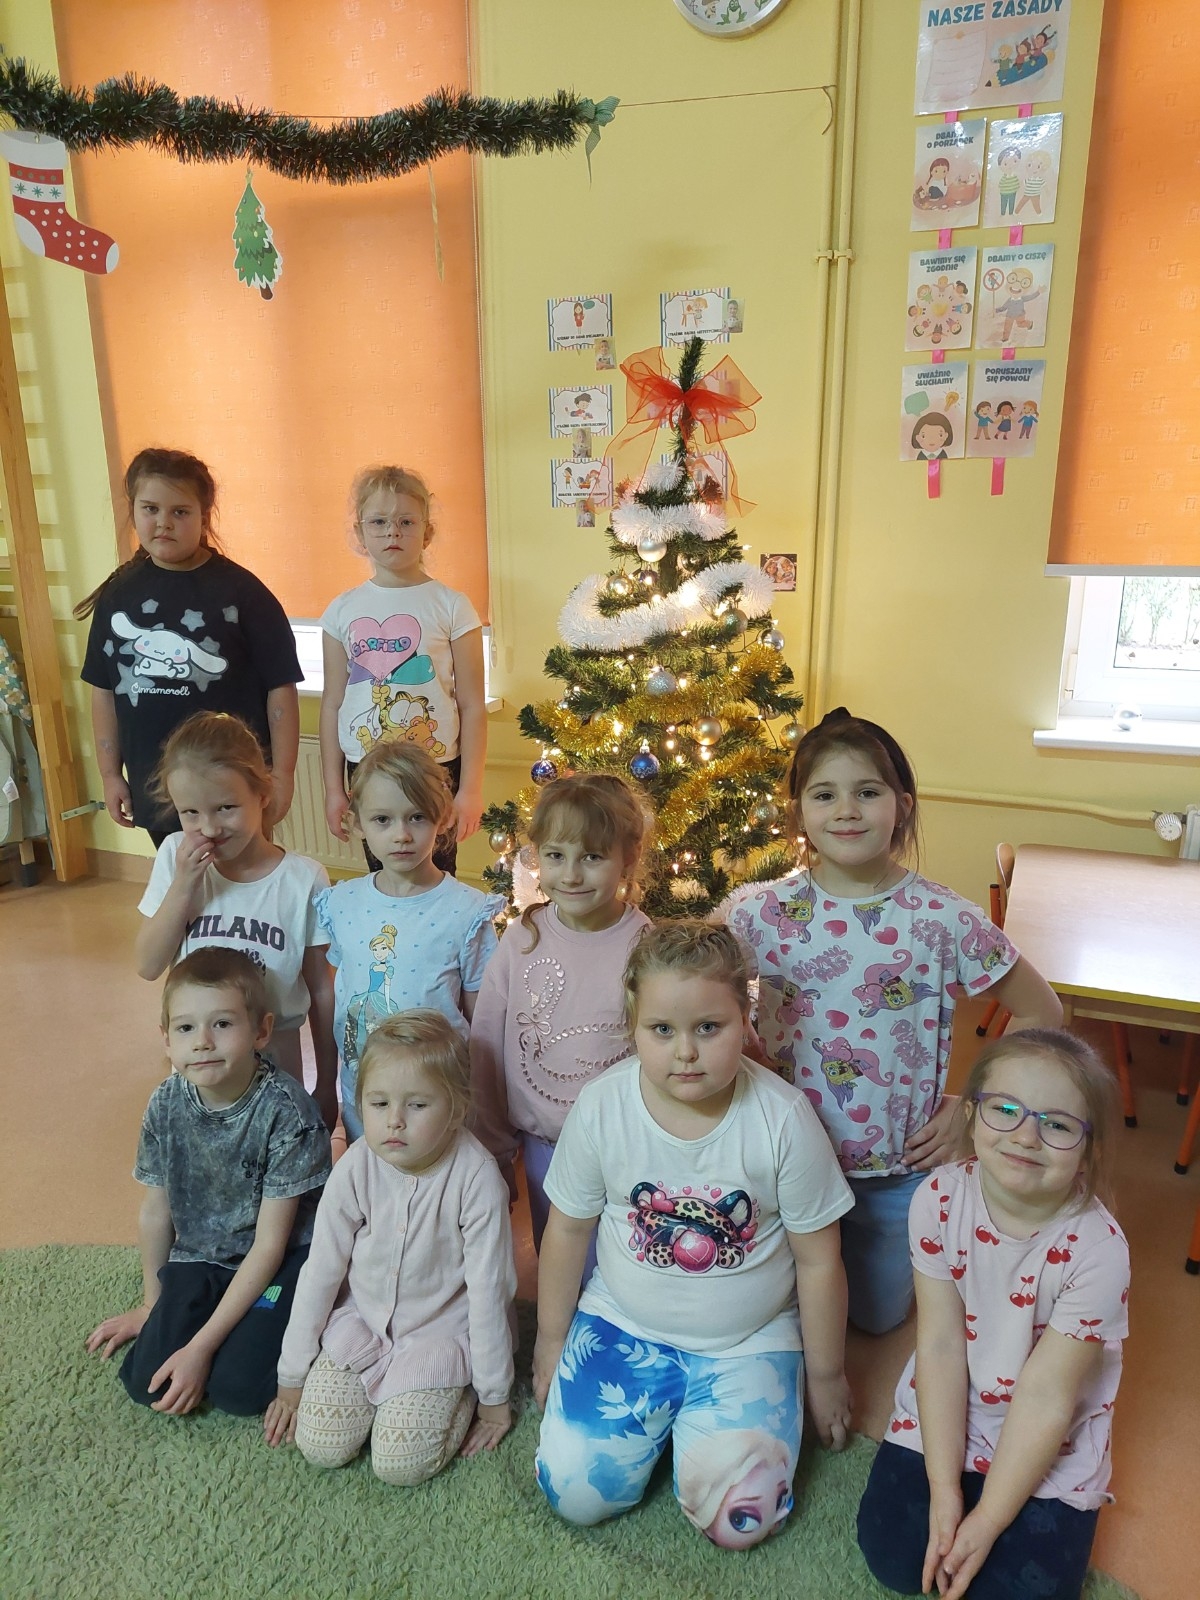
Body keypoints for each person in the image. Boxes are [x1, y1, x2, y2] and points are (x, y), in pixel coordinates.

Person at [725, 709, 1061, 1335]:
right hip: (780, 1163)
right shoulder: (757, 916)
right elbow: (706, 1008)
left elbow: (1043, 1010)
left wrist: (976, 1109)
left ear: (902, 807)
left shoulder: (944, 918)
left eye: (867, 792)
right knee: (777, 1312)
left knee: (873, 1320)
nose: (846, 811)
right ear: (798, 812)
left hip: (894, 1172)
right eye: (824, 795)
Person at [533, 922, 854, 1548]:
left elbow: (820, 1261)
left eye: (709, 1027)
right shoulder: (601, 1108)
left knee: (743, 1522)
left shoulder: (783, 1119)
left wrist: (826, 1374)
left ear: (745, 1021)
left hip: (749, 1340)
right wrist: (550, 1338)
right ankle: (659, 1433)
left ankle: (696, 1432)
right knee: (575, 1495)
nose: (685, 1051)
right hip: (623, 1325)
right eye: (662, 1029)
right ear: (633, 1027)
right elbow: (567, 1230)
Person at [857, 1030, 1128, 1600]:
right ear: (971, 1115)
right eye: (1005, 1109)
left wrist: (987, 1521)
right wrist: (944, 1489)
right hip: (953, 1396)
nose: (1026, 1136)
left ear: (1089, 1149)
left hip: (1049, 1429)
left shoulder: (1100, 1251)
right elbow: (938, 1346)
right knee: (894, 1559)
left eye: (1057, 1125)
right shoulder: (937, 1198)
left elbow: (1047, 1397)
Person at [264, 1011, 516, 1483]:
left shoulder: (477, 1178)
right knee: (320, 1444)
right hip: (362, 1324)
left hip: (437, 1335)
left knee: (400, 1464)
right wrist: (292, 1375)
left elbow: (490, 1293)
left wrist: (494, 1396)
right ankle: (386, 1390)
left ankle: (456, 1389)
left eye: (417, 1105)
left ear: (457, 1109)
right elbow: (320, 1271)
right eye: (378, 1104)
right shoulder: (356, 1166)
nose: (394, 1121)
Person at [85, 949, 331, 1416]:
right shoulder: (165, 1104)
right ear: (166, 1039)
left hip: (281, 1261)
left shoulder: (288, 1113)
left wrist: (200, 1347)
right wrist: (151, 1307)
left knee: (238, 1390)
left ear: (261, 1030)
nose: (202, 1042)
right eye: (185, 1028)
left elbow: (270, 1246)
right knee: (148, 1383)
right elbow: (156, 1212)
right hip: (202, 1256)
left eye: (222, 1024)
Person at [78, 447, 301, 846]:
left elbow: (281, 689)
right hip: (157, 793)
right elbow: (104, 691)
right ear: (133, 510)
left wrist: (282, 775)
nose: (163, 522)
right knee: (181, 882)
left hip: (232, 793)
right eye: (150, 509)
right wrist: (110, 775)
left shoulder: (244, 594)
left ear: (204, 516)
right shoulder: (118, 595)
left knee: (243, 879)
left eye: (179, 511)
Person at [469, 774, 651, 1259]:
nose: (570, 875)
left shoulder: (645, 945)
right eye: (555, 855)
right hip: (543, 1148)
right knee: (559, 1266)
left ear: (628, 856)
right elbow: (486, 1048)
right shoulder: (521, 940)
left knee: (618, 1266)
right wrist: (494, 1147)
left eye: (591, 857)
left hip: (625, 1154)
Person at [134, 712, 337, 1130]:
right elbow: (148, 965)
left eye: (226, 808)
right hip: (198, 1077)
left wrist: (327, 1082)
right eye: (190, 812)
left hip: (278, 1071)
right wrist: (184, 884)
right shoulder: (175, 856)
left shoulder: (304, 880)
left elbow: (322, 989)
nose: (209, 827)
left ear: (262, 794)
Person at [317, 741, 502, 1141]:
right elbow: (336, 1000)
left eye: (417, 817)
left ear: (443, 817)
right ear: (357, 823)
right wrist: (326, 1084)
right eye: (382, 820)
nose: (401, 835)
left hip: (438, 1099)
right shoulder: (342, 904)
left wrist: (489, 1115)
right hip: (366, 1096)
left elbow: (484, 1023)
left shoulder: (466, 911)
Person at [319, 465, 485, 877]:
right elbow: (333, 703)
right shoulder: (341, 610)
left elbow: (471, 704)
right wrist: (333, 789)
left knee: (436, 874)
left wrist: (470, 790)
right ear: (360, 533)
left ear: (427, 532)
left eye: (406, 522)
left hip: (435, 766)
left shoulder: (452, 606)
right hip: (367, 768)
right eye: (379, 522)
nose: (392, 532)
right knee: (384, 874)